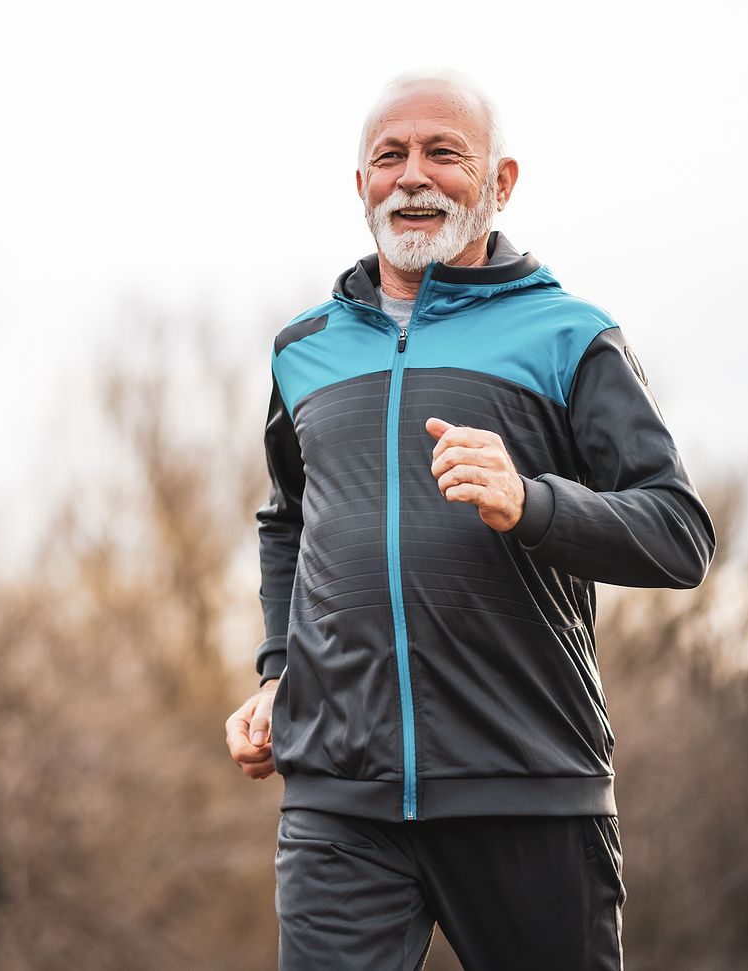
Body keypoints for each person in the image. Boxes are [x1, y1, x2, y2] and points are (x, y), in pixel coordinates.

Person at [224, 71, 715, 970]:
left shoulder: (570, 335)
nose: (413, 175)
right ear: (361, 183)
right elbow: (289, 521)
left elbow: (679, 533)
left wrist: (531, 503)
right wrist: (278, 670)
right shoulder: (304, 351)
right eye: (390, 156)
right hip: (339, 799)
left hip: (528, 787)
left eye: (444, 152)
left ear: (502, 181)